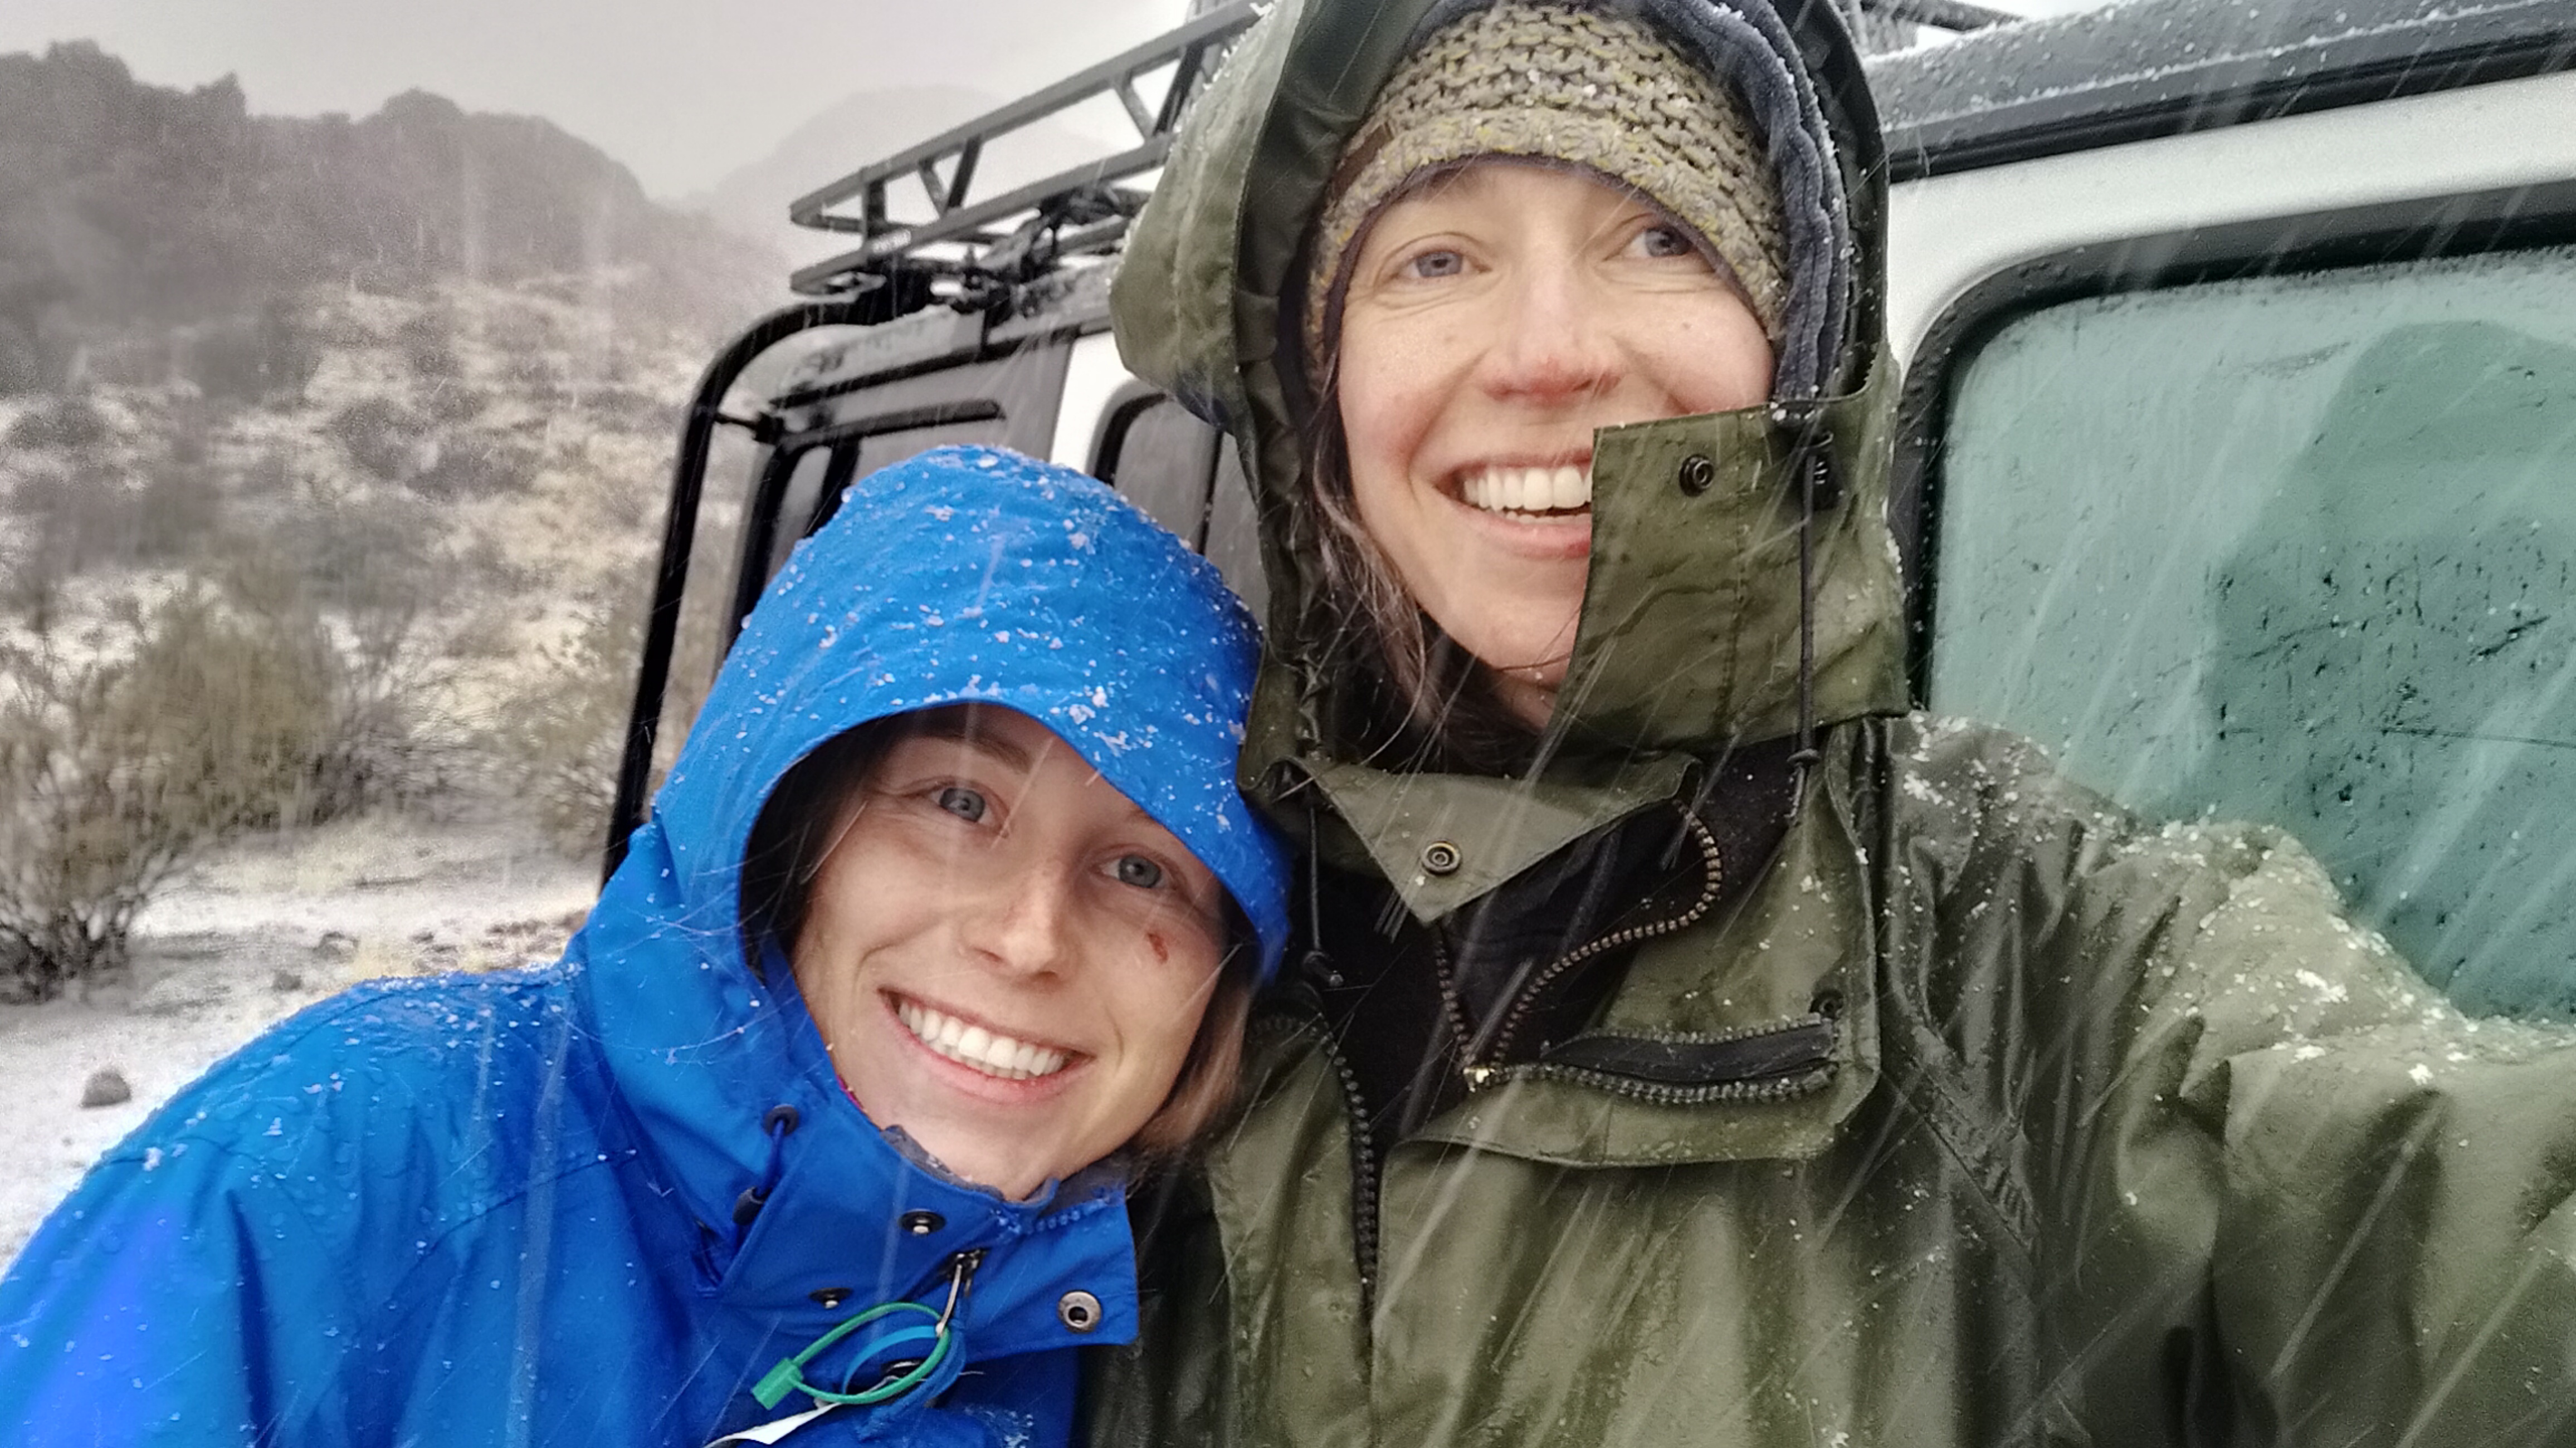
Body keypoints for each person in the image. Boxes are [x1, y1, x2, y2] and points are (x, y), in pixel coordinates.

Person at [1083, 1, 2576, 1444]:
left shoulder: (2021, 954)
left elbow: (2454, 1226)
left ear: (1795, 348)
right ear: (1316, 386)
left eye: (1659, 236)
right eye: (1436, 254)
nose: (1546, 352)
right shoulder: (1157, 919)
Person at [0, 445, 1290, 1447]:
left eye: (1142, 868)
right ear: (792, 827)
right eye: (956, 802)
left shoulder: (1095, 1328)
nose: (1026, 935)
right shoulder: (347, 1160)